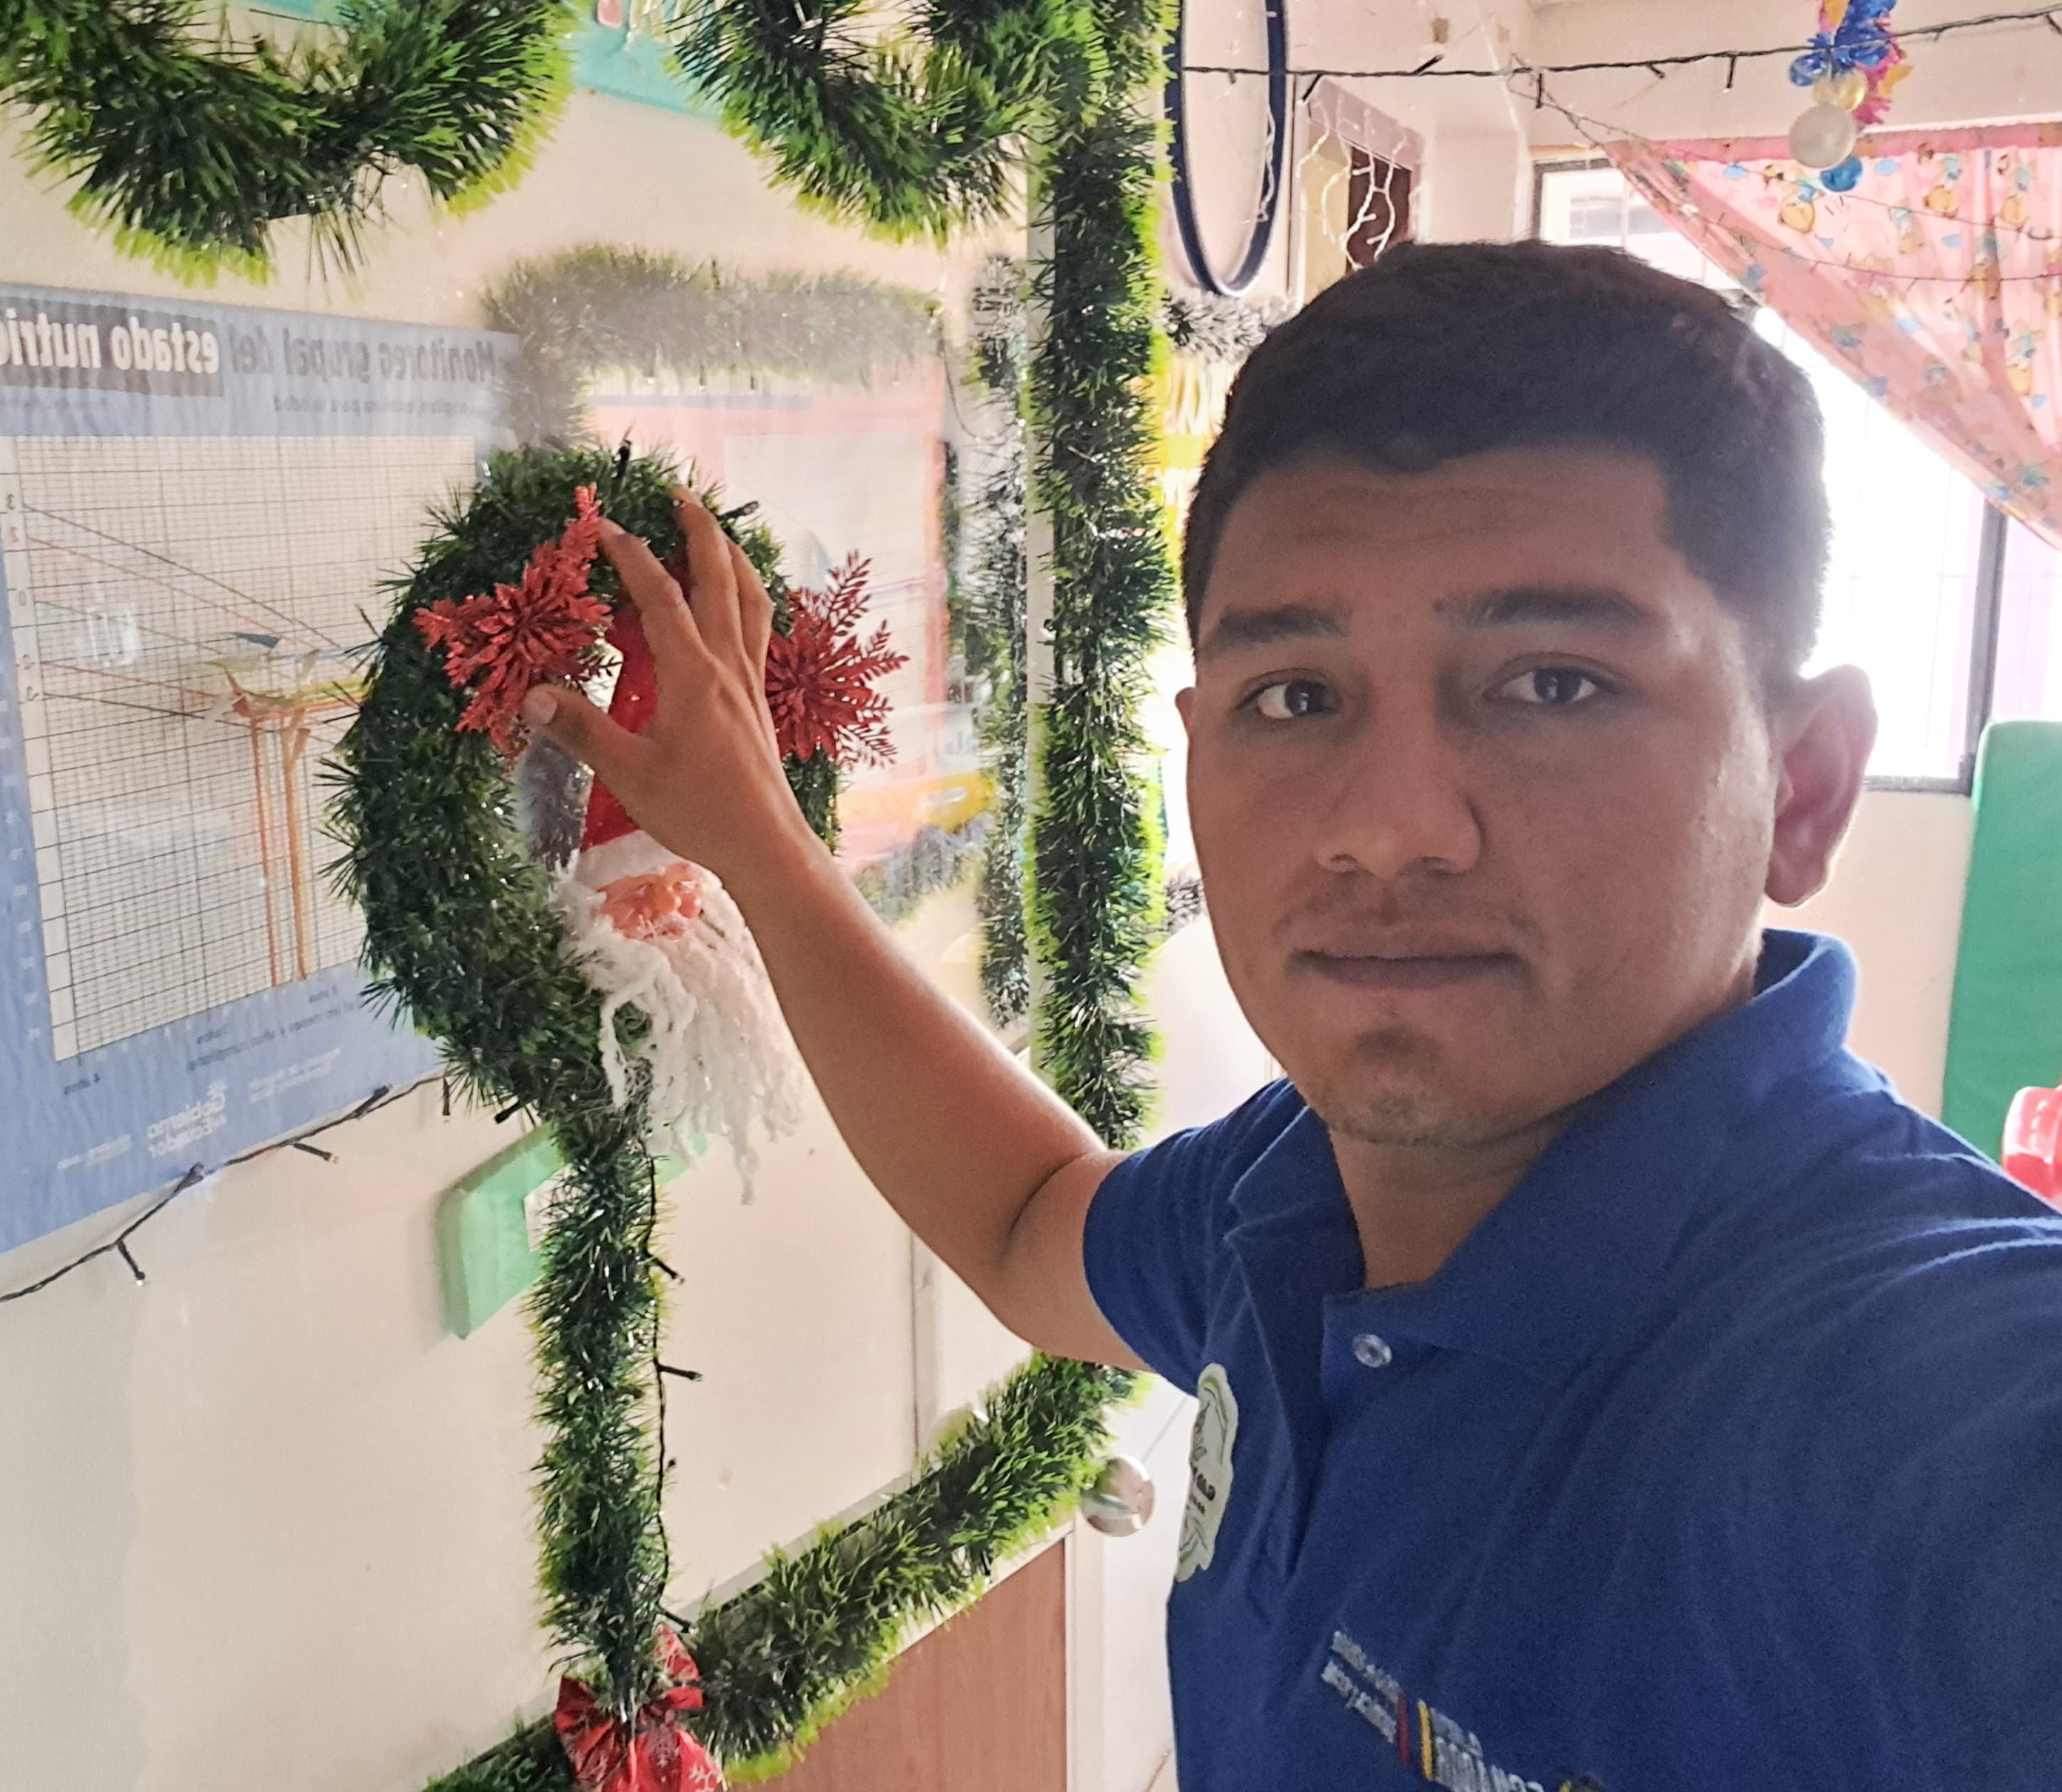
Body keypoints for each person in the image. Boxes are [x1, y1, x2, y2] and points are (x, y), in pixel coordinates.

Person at [520, 240, 2062, 1789]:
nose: (1388, 829)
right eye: (1298, 698)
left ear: (1803, 782)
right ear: (1197, 748)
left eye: (1553, 684)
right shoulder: (1285, 1198)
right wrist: (759, 842)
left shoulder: (1937, 1412)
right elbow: (1026, 1221)